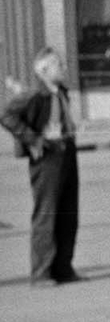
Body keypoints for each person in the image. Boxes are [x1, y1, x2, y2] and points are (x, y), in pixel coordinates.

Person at [1, 46, 82, 286]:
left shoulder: (61, 91)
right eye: (58, 64)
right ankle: (41, 272)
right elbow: (6, 115)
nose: (64, 68)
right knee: (46, 214)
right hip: (47, 155)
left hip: (66, 150)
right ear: (43, 70)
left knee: (68, 212)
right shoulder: (34, 94)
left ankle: (63, 268)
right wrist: (32, 138)